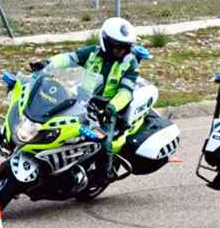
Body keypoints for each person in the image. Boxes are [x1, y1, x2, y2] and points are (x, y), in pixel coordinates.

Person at [30, 17, 142, 181]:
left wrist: (112, 107)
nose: (121, 51)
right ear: (106, 42)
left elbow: (126, 92)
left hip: (107, 109)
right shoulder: (93, 52)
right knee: (56, 124)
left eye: (125, 47)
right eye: (117, 47)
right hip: (83, 99)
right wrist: (48, 64)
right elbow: (70, 58)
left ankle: (105, 173)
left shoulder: (129, 63)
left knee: (104, 142)